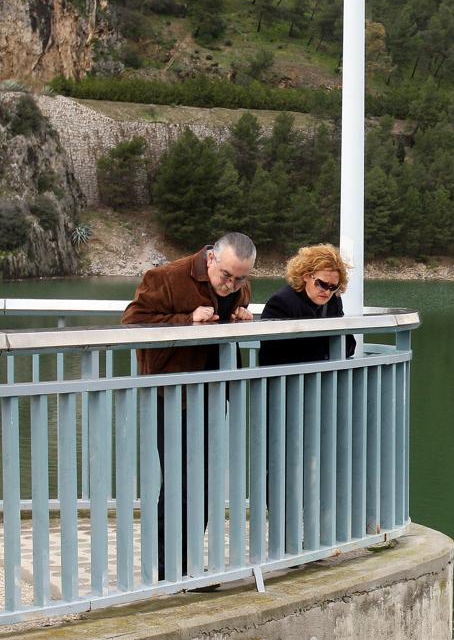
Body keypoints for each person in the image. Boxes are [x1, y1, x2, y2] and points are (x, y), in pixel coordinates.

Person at [122, 232, 257, 581]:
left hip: (212, 395)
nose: (231, 284)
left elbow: (226, 318)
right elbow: (132, 323)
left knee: (206, 484)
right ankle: (171, 571)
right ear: (210, 258)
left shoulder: (239, 286)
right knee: (180, 485)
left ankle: (190, 563)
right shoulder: (165, 278)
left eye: (240, 278)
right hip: (171, 395)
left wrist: (240, 317)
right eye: (226, 275)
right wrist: (186, 320)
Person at [259, 243, 356, 365]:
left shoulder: (333, 301)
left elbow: (350, 345)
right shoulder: (281, 302)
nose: (327, 291)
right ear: (306, 276)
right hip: (284, 378)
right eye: (322, 284)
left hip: (320, 376)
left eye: (333, 287)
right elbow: (273, 353)